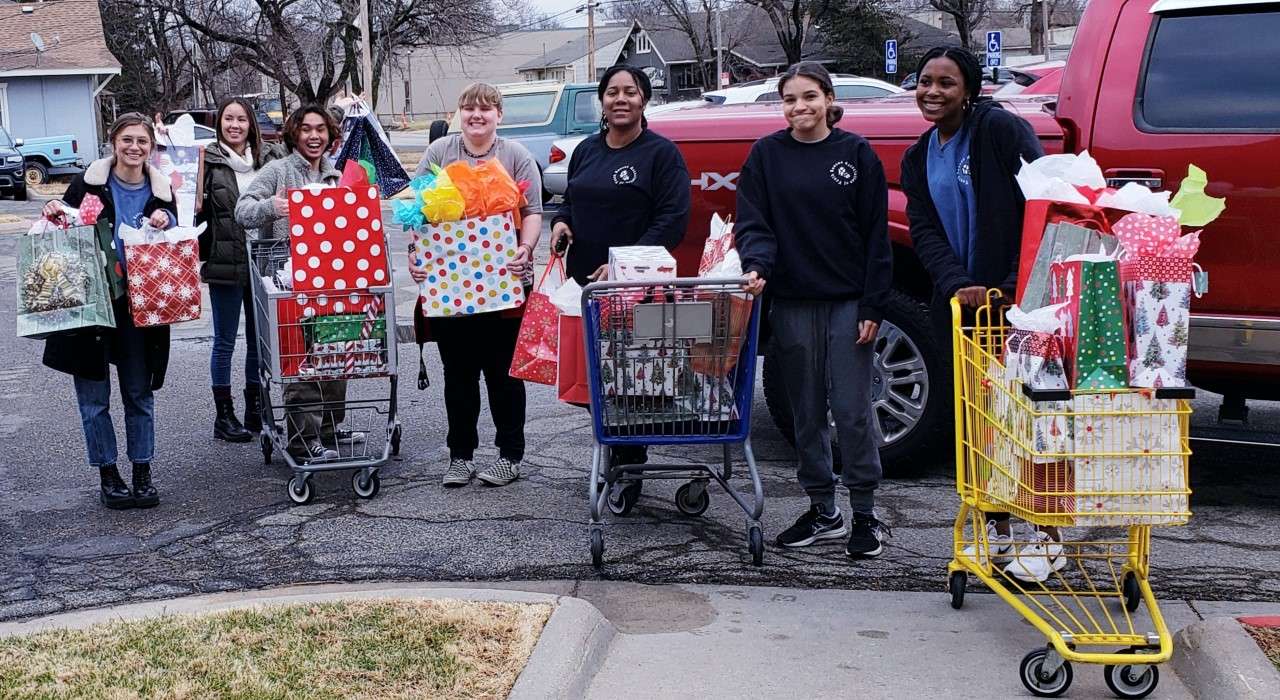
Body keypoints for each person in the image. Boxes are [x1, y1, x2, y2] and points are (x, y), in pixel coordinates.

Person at [899, 46, 1054, 582]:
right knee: (980, 424)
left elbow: (1042, 204)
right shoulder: (918, 155)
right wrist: (957, 283)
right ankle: (998, 533)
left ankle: (1045, 536)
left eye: (946, 82)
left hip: (1022, 307)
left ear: (969, 89)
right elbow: (924, 230)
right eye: (924, 82)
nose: (933, 92)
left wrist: (1012, 285)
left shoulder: (1000, 132)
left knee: (1031, 420)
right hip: (967, 310)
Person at [735, 62, 893, 558]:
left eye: (809, 97)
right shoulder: (766, 156)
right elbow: (753, 222)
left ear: (828, 99)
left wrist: (873, 302)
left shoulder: (855, 153)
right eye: (790, 99)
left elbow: (875, 235)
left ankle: (865, 515)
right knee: (805, 413)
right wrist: (757, 263)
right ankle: (823, 509)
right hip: (793, 302)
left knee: (851, 411)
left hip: (847, 303)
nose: (799, 107)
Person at [549, 65, 691, 471]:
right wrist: (562, 221)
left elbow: (673, 220)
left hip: (638, 291)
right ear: (602, 101)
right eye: (613, 92)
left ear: (644, 99)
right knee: (598, 382)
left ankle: (628, 465)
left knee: (636, 384)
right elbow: (571, 200)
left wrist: (625, 264)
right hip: (588, 289)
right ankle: (615, 456)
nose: (621, 99)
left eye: (630, 92)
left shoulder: (661, 154)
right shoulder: (587, 150)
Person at [407, 82, 543, 488]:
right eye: (469, 108)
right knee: (458, 375)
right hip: (451, 285)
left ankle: (509, 455)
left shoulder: (515, 155)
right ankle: (460, 456)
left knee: (503, 374)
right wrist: (417, 256)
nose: (477, 115)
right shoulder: (439, 153)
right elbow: (418, 214)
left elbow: (533, 210)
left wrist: (526, 246)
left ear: (499, 115)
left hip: (503, 284)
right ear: (459, 114)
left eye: (486, 108)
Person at [41, 113, 178, 510]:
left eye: (143, 142)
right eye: (127, 140)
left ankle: (142, 471)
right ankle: (108, 474)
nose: (134, 148)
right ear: (113, 143)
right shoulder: (89, 184)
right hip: (92, 303)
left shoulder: (162, 190)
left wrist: (165, 220)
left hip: (140, 306)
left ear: (152, 148)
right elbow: (63, 224)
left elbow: (177, 236)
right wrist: (53, 210)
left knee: (139, 392)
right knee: (94, 396)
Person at [235, 104, 356, 463]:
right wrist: (273, 206)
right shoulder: (278, 171)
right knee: (299, 362)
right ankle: (304, 440)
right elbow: (243, 210)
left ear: (331, 136)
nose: (314, 136)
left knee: (335, 354)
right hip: (289, 284)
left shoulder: (336, 178)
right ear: (294, 134)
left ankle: (330, 428)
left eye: (321, 129)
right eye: (306, 129)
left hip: (332, 283)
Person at [199, 97, 286, 443]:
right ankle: (224, 414)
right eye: (228, 119)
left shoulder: (267, 159)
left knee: (258, 339)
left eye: (241, 120)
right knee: (224, 341)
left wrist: (341, 109)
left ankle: (255, 408)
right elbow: (189, 202)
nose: (234, 125)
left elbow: (307, 135)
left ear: (251, 124)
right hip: (224, 261)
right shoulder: (207, 160)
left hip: (262, 258)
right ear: (219, 122)